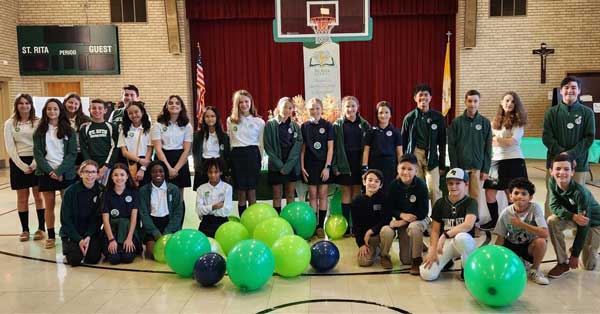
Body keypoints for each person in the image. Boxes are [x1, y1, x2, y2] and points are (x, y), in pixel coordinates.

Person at [543, 76, 595, 216]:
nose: (569, 90)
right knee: (552, 196)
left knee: (579, 197)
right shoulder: (551, 113)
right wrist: (563, 157)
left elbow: (589, 138)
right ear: (561, 91)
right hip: (555, 164)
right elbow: (547, 137)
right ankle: (549, 227)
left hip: (578, 163)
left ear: (579, 91)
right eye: (566, 87)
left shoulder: (587, 113)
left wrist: (570, 155)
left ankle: (577, 228)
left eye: (573, 88)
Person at [546, 154, 600, 279]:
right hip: (576, 218)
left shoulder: (580, 193)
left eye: (566, 169)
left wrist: (575, 255)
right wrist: (572, 216)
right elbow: (553, 206)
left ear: (572, 172)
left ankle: (586, 247)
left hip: (594, 223)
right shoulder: (552, 182)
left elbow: (584, 224)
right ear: (551, 171)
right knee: (552, 220)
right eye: (558, 169)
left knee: (588, 266)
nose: (562, 172)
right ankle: (562, 263)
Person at [33, 98, 77, 249]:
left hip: (65, 173)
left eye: (55, 109)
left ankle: (67, 234)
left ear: (60, 111)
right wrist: (51, 172)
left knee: (67, 207)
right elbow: (38, 154)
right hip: (46, 173)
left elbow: (72, 154)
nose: (52, 112)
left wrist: (59, 171)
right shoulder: (39, 131)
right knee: (49, 206)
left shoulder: (69, 130)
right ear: (45, 111)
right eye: (49, 109)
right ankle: (51, 236)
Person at [420, 168, 478, 281]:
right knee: (427, 274)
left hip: (464, 242)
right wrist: (432, 250)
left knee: (462, 237)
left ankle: (467, 268)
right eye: (450, 183)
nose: (454, 186)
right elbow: (435, 230)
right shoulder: (440, 203)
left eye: (458, 183)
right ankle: (447, 261)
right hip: (446, 244)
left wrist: (445, 235)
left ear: (465, 184)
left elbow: (468, 225)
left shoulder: (471, 202)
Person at [482, 91, 528, 230]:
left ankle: (510, 222)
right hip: (496, 161)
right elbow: (487, 141)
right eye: (507, 100)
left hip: (513, 161)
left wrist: (496, 139)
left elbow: (513, 141)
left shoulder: (518, 122)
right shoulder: (494, 122)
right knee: (489, 192)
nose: (509, 104)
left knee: (511, 194)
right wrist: (500, 141)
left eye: (513, 101)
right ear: (501, 102)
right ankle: (495, 222)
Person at [493, 177, 549, 285]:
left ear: (530, 197)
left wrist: (522, 224)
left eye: (524, 193)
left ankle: (534, 270)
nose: (519, 196)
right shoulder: (505, 213)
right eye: (516, 193)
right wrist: (496, 260)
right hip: (512, 246)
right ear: (510, 196)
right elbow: (500, 239)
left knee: (541, 241)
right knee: (506, 272)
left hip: (528, 246)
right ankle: (519, 262)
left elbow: (545, 233)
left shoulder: (535, 208)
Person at [4, 94, 45, 242]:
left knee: (38, 197)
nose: (24, 106)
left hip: (36, 161)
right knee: (22, 198)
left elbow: (41, 144)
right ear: (17, 105)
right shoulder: (10, 123)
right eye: (21, 103)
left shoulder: (38, 122)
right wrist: (21, 165)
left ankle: (41, 228)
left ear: (31, 105)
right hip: (18, 163)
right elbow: (10, 147)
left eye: (27, 103)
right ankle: (25, 230)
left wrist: (35, 163)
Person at [380, 154, 430, 274]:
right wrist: (401, 216)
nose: (406, 172)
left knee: (414, 228)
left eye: (410, 169)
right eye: (403, 168)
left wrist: (405, 221)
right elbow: (389, 208)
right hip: (403, 219)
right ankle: (385, 256)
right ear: (398, 169)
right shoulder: (393, 186)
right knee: (405, 260)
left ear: (416, 171)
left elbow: (423, 212)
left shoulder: (422, 186)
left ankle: (417, 259)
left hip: (419, 218)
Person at [448, 89, 492, 215]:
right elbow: (452, 147)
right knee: (460, 196)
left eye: (475, 101)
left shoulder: (484, 122)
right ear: (465, 102)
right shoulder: (457, 122)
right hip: (461, 167)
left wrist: (485, 169)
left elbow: (488, 148)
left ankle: (474, 223)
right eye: (470, 101)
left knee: (475, 197)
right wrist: (454, 167)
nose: (472, 104)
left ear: (479, 102)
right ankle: (459, 221)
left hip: (477, 168)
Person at [401, 84, 446, 205]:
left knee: (434, 189)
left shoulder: (438, 117)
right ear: (415, 98)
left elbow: (442, 142)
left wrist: (442, 164)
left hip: (432, 156)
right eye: (420, 95)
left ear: (430, 97)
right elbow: (403, 142)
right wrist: (404, 162)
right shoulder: (409, 118)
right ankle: (420, 217)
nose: (423, 98)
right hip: (415, 155)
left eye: (426, 95)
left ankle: (436, 218)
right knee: (417, 188)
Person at [333, 96, 370, 236]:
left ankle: (356, 225)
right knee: (346, 193)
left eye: (353, 106)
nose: (350, 109)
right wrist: (335, 166)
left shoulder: (364, 124)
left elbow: (368, 147)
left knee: (357, 194)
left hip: (358, 163)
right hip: (344, 162)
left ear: (358, 107)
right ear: (343, 108)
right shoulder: (337, 125)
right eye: (347, 106)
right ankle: (346, 226)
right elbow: (334, 147)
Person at [151, 95, 193, 218]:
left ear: (181, 107)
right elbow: (158, 148)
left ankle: (178, 226)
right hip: (163, 159)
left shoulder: (187, 126)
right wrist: (168, 168)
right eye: (171, 103)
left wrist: (176, 169)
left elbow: (187, 150)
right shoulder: (158, 125)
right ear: (166, 106)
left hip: (180, 160)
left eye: (177, 103)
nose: (174, 105)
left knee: (179, 197)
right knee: (163, 195)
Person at [227, 90, 265, 215]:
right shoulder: (231, 121)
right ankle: (243, 219)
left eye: (246, 101)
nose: (244, 104)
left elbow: (261, 143)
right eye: (240, 102)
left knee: (252, 191)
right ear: (236, 104)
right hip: (237, 156)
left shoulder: (259, 121)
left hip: (253, 155)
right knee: (241, 192)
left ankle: (252, 220)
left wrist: (260, 159)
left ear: (251, 103)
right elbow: (230, 141)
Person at [59, 160, 104, 267]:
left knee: (93, 258)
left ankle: (90, 245)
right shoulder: (70, 191)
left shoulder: (101, 190)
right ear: (81, 173)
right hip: (73, 232)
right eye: (87, 172)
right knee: (74, 260)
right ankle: (70, 248)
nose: (90, 175)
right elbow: (65, 219)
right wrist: (79, 239)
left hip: (90, 232)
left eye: (93, 172)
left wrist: (88, 236)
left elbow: (98, 219)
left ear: (97, 174)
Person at [301, 98, 334, 238]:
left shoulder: (327, 125)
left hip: (323, 165)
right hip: (309, 165)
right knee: (313, 195)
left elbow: (331, 148)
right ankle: (313, 226)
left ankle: (321, 227)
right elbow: (302, 150)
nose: (314, 111)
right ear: (308, 110)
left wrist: (327, 167)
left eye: (317, 108)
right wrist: (302, 167)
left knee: (323, 195)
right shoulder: (304, 126)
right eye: (312, 109)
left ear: (322, 109)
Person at [138, 160, 183, 260]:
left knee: (172, 252)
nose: (158, 174)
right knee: (152, 254)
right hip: (152, 225)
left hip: (169, 224)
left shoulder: (173, 189)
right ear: (150, 173)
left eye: (161, 171)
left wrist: (167, 232)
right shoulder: (143, 191)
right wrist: (155, 233)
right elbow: (144, 214)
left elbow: (178, 213)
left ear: (165, 173)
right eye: (154, 171)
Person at [264, 97, 303, 213]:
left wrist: (287, 167)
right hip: (276, 166)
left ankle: (290, 219)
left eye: (290, 108)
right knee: (277, 196)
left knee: (290, 195)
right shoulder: (270, 125)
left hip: (290, 165)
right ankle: (278, 219)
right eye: (285, 106)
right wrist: (280, 166)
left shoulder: (295, 126)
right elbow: (268, 147)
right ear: (278, 107)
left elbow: (297, 146)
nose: (287, 110)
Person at [101, 163, 141, 265]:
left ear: (127, 176)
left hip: (128, 230)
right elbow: (105, 220)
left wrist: (129, 238)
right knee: (114, 259)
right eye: (116, 175)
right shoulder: (106, 193)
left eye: (122, 175)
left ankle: (130, 246)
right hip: (112, 231)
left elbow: (134, 218)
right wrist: (111, 240)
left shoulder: (134, 192)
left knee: (127, 258)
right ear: (111, 177)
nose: (119, 178)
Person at [362, 101, 402, 192]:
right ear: (377, 114)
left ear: (391, 114)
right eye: (380, 113)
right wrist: (365, 169)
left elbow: (399, 153)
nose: (383, 115)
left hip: (390, 168)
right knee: (374, 192)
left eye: (386, 112)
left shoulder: (396, 132)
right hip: (374, 166)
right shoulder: (371, 131)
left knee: (389, 192)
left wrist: (400, 169)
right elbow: (366, 151)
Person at [351, 169, 388, 268]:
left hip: (380, 234)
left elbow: (386, 219)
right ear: (364, 181)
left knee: (387, 231)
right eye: (370, 180)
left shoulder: (384, 198)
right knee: (363, 262)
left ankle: (384, 253)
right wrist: (361, 244)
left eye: (377, 181)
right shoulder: (357, 201)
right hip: (366, 239)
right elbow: (356, 225)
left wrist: (371, 231)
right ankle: (373, 249)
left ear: (381, 185)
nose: (373, 183)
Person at [79, 98, 119, 185]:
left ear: (105, 110)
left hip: (108, 165)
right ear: (89, 110)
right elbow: (84, 148)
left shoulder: (112, 127)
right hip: (91, 166)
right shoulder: (84, 128)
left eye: (100, 108)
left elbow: (115, 147)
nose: (97, 110)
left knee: (107, 191)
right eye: (94, 108)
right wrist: (91, 166)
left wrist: (106, 166)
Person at [192, 106, 230, 190]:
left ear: (217, 118)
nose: (210, 119)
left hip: (218, 165)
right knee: (203, 195)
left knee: (219, 194)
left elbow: (227, 155)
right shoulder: (197, 136)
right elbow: (195, 153)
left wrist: (226, 171)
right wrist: (198, 167)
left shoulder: (224, 136)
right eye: (207, 116)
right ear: (203, 118)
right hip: (203, 167)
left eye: (213, 116)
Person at [118, 101, 153, 187]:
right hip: (128, 163)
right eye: (130, 113)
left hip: (145, 164)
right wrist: (139, 160)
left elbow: (150, 151)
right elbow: (124, 152)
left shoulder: (150, 129)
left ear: (142, 112)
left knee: (144, 192)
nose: (134, 115)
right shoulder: (124, 130)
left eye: (136, 112)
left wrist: (143, 168)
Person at [196, 158, 234, 237]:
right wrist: (214, 207)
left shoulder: (227, 188)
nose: (213, 175)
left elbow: (226, 210)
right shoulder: (201, 189)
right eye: (210, 172)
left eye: (216, 172)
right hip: (206, 223)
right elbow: (199, 210)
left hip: (222, 223)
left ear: (221, 172)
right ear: (207, 173)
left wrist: (207, 210)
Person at [63, 92, 91, 167]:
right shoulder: (59, 118)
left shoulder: (85, 119)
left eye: (76, 104)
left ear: (79, 106)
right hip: (64, 154)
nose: (73, 105)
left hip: (81, 153)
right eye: (70, 102)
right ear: (65, 102)